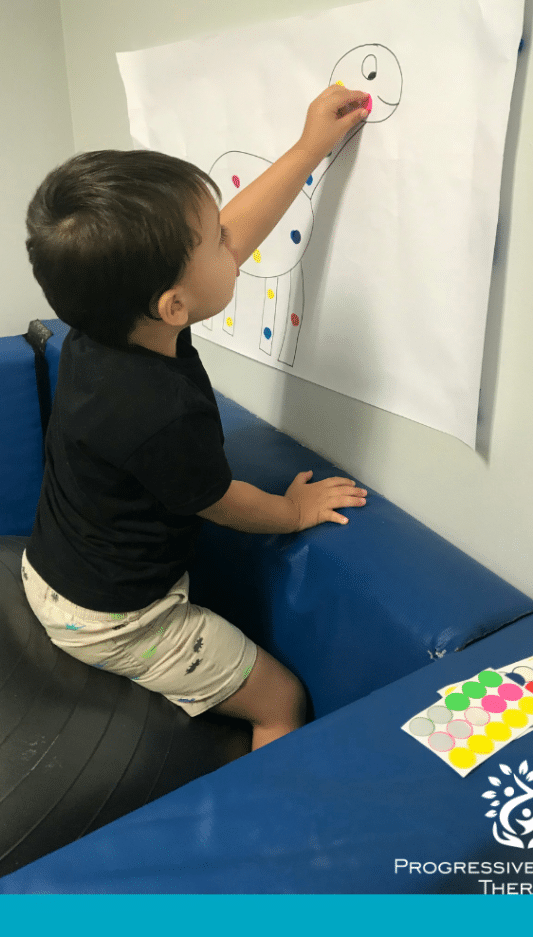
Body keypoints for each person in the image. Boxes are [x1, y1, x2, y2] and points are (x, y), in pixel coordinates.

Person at [20, 85, 372, 751]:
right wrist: (292, 513)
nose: (232, 246)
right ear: (175, 305)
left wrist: (308, 149)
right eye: (216, 243)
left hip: (51, 569)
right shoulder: (155, 410)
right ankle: (269, 828)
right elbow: (224, 502)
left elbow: (234, 231)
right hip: (115, 619)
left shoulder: (102, 326)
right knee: (281, 699)